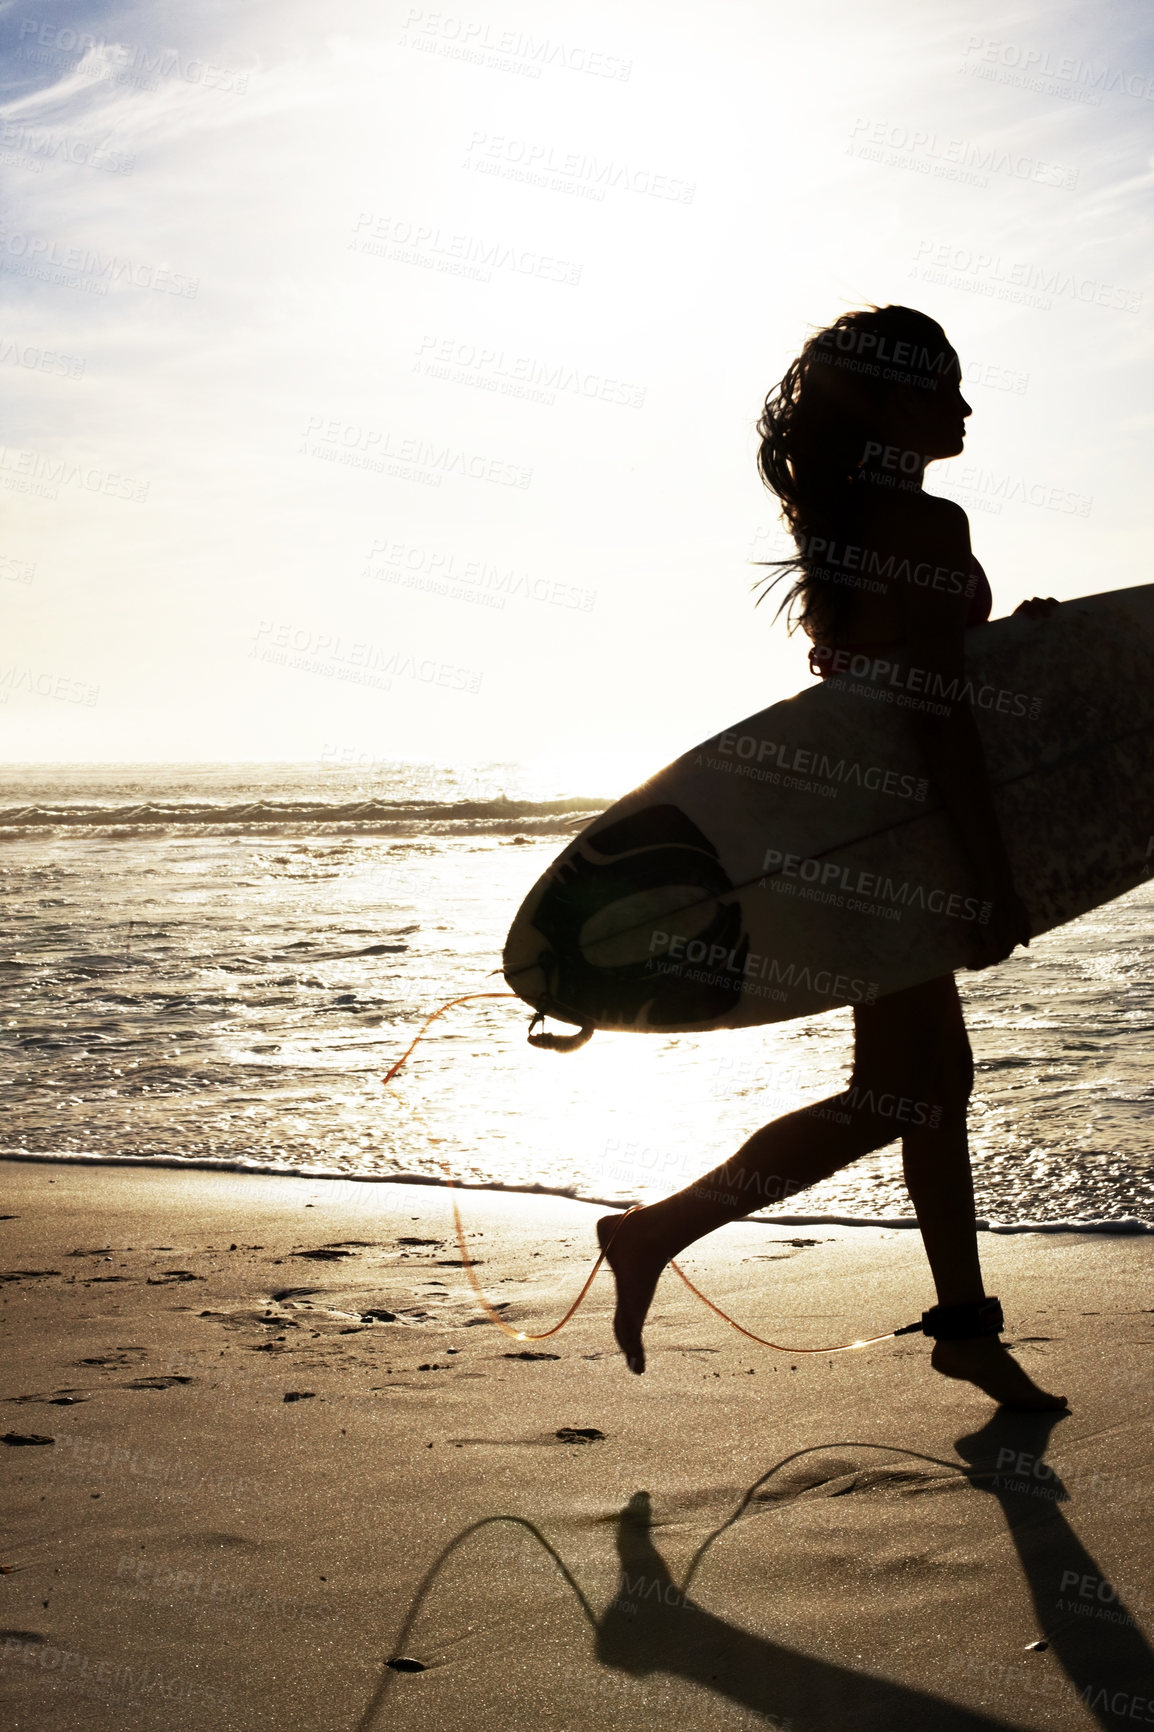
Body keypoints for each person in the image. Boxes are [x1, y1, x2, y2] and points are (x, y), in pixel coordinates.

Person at [597, 304, 1067, 1411]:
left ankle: (962, 1323)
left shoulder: (848, 520)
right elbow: (935, 711)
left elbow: (895, 675)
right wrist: (992, 873)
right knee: (906, 1090)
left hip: (844, 821)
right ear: (892, 403)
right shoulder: (922, 525)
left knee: (920, 1087)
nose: (960, 406)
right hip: (906, 827)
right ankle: (657, 1227)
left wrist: (1020, 652)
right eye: (941, 385)